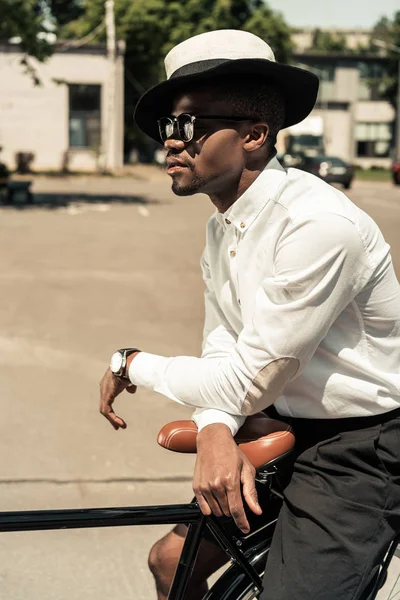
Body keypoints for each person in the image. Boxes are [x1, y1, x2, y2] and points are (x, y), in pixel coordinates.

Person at [99, 29, 400, 600]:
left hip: (358, 447)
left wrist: (130, 362)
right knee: (172, 562)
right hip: (276, 420)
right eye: (167, 126)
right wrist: (216, 427)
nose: (171, 142)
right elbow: (227, 351)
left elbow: (246, 377)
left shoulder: (318, 226)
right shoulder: (223, 226)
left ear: (255, 135)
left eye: (188, 125)